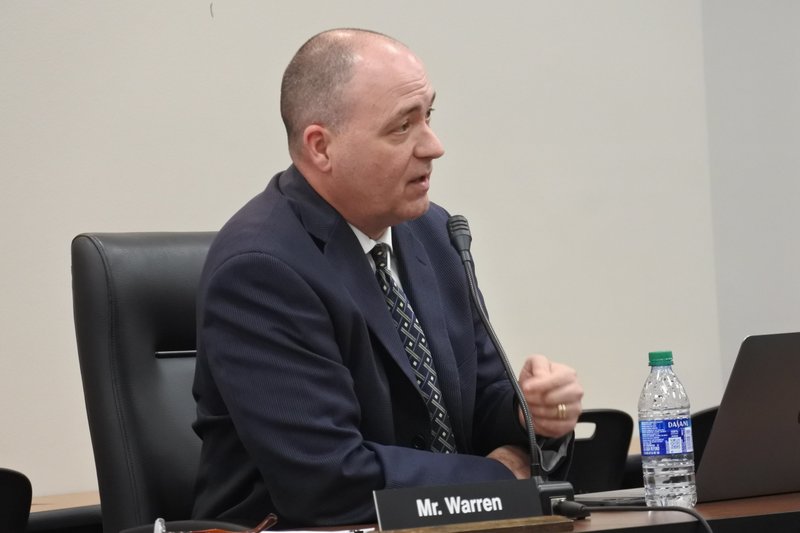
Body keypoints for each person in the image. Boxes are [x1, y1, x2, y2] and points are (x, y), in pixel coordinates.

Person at [191, 28, 584, 528]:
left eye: (429, 116)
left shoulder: (434, 234)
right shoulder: (261, 270)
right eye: (402, 127)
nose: (434, 146)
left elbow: (479, 404)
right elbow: (329, 482)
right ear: (321, 147)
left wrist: (530, 418)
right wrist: (498, 479)